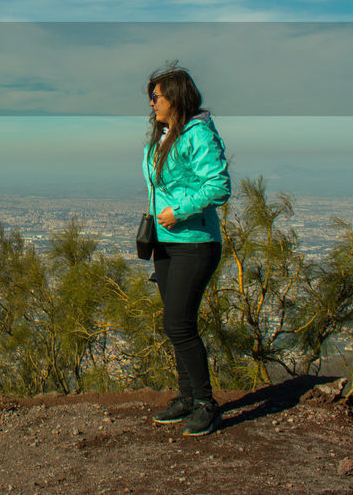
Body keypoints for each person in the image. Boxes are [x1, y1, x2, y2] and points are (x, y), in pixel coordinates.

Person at [143, 65, 230, 436]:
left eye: (157, 95)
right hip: (165, 244)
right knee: (177, 324)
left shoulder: (199, 134)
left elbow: (219, 186)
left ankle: (206, 404)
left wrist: (178, 211)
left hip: (195, 242)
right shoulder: (164, 134)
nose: (152, 102)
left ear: (176, 98)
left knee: (177, 323)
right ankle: (186, 396)